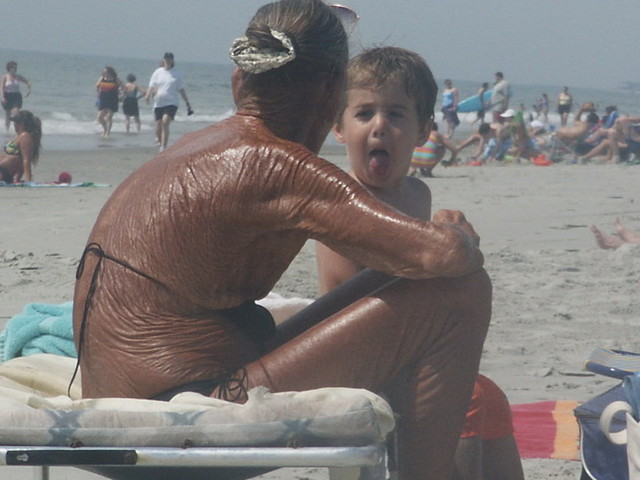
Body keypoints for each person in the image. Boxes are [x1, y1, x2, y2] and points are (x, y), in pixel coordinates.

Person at [72, 3, 490, 480]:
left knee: (396, 280)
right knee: (461, 292)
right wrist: (456, 232)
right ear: (332, 92)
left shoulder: (201, 148)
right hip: (175, 423)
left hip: (126, 403)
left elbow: (413, 259)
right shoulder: (276, 165)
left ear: (239, 82)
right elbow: (445, 255)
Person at [316, 46, 523, 480]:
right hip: (355, 355)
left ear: (424, 130)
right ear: (338, 127)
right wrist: (438, 251)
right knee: (466, 401)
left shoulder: (416, 193)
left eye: (395, 115)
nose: (379, 126)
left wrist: (446, 240)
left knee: (490, 397)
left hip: (406, 347)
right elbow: (369, 290)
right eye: (364, 113)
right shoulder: (343, 199)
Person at [145, 52, 192, 152]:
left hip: (172, 102)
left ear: (172, 60)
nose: (168, 60)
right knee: (158, 127)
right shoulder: (158, 72)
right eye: (166, 58)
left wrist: (187, 103)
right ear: (163, 60)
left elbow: (181, 89)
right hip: (159, 103)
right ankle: (160, 141)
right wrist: (148, 95)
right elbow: (152, 85)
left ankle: (163, 147)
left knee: (165, 122)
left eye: (170, 58)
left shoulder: (176, 73)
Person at [0, 110, 42, 184]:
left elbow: (26, 160)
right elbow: (21, 161)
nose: (14, 125)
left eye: (15, 122)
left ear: (21, 123)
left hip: (3, 171)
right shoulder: (20, 137)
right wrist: (17, 179)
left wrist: (28, 180)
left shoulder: (25, 136)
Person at [1, 61, 32, 133]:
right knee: (8, 115)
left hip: (16, 96)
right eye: (14, 68)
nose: (15, 69)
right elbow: (1, 88)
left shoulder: (18, 77)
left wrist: (29, 90)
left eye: (16, 68)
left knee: (16, 114)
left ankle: (18, 130)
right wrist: (2, 97)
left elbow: (27, 82)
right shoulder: (5, 77)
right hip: (7, 96)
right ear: (9, 68)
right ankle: (7, 130)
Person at [95, 66, 123, 138]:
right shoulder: (101, 78)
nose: (104, 73)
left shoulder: (116, 79)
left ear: (110, 72)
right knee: (99, 117)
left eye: (106, 72)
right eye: (103, 72)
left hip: (113, 99)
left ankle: (108, 133)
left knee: (109, 117)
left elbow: (123, 88)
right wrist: (98, 93)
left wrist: (122, 95)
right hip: (103, 99)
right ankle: (105, 129)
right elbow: (97, 86)